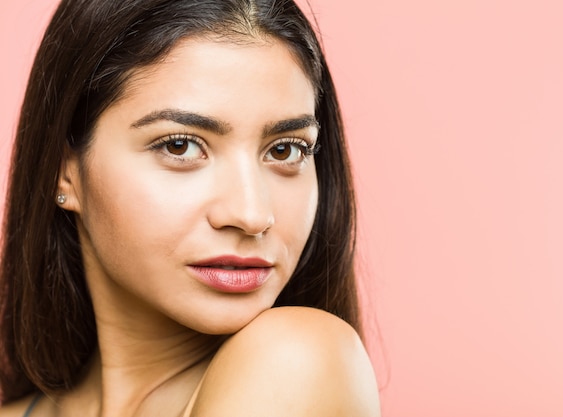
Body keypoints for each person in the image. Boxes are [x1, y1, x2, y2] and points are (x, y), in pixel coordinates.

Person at [0, 0, 380, 415]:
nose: (252, 215)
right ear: (65, 171)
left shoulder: (297, 358)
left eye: (286, 150)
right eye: (180, 146)